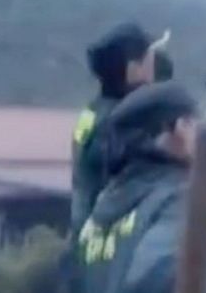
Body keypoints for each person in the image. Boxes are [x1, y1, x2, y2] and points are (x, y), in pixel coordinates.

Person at [78, 81, 206, 293]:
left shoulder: (98, 214)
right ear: (181, 129)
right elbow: (162, 281)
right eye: (196, 122)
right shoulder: (183, 199)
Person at [72, 24, 172, 232]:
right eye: (150, 55)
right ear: (134, 69)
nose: (155, 61)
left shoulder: (93, 111)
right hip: (116, 246)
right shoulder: (127, 121)